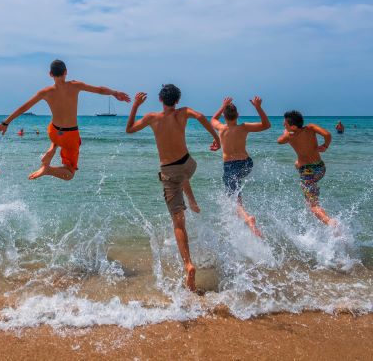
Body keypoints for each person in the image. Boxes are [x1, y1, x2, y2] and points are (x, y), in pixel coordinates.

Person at [125, 84, 221, 292]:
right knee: (182, 175)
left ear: (160, 99)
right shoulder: (184, 112)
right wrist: (216, 138)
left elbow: (129, 129)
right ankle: (192, 201)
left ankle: (188, 264)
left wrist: (135, 105)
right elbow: (202, 116)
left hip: (170, 171)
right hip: (188, 164)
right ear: (177, 100)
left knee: (179, 223)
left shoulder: (152, 117)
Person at [0, 59, 129, 180]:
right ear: (66, 72)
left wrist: (5, 123)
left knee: (56, 134)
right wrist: (115, 93)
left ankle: (53, 147)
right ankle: (48, 169)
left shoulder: (45, 92)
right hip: (70, 135)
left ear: (50, 74)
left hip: (53, 131)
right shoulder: (75, 85)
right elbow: (99, 90)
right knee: (69, 174)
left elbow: (23, 108)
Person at [211, 96, 271, 237]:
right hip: (246, 164)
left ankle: (247, 218)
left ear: (224, 116)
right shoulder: (244, 127)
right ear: (238, 115)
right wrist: (258, 107)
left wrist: (223, 105)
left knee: (233, 198)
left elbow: (212, 119)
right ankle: (242, 217)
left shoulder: (221, 128)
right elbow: (266, 125)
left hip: (230, 166)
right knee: (236, 189)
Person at [277, 111, 337, 227]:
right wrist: (325, 146)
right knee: (297, 164)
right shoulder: (310, 128)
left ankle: (330, 222)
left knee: (312, 206)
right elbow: (327, 135)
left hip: (307, 172)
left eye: (285, 124)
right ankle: (313, 193)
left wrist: (286, 133)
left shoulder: (290, 136)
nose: (284, 125)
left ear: (293, 127)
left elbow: (279, 141)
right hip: (320, 168)